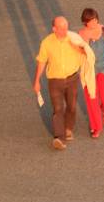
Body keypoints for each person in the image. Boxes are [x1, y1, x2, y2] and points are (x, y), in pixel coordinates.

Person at [33, 16, 89, 149]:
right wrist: (36, 81)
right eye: (62, 28)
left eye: (66, 27)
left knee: (72, 106)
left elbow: (86, 53)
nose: (65, 30)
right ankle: (59, 137)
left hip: (72, 79)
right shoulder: (46, 43)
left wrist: (76, 48)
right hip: (55, 81)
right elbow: (41, 61)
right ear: (54, 29)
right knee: (58, 109)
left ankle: (68, 128)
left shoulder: (74, 38)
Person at [78, 8, 104, 138]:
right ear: (85, 22)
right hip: (89, 71)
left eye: (95, 19)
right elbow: (78, 52)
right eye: (90, 21)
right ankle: (96, 127)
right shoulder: (81, 34)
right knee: (92, 100)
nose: (94, 22)